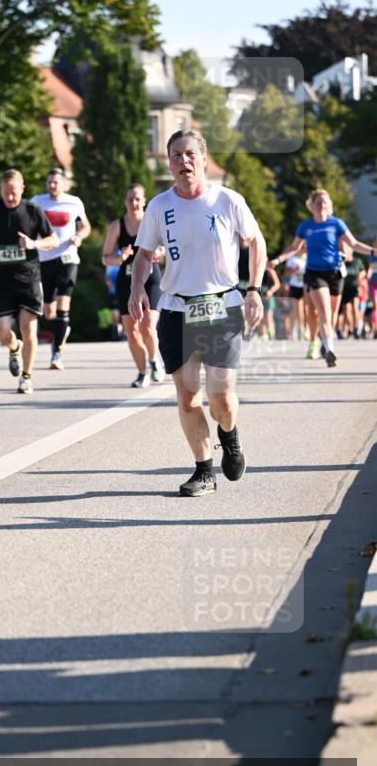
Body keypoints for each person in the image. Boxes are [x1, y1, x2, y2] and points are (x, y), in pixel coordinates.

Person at [128, 129, 266, 498]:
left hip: (222, 307)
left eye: (190, 154)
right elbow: (143, 255)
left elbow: (256, 243)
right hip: (176, 309)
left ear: (203, 159)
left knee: (220, 397)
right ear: (169, 162)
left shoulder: (228, 200)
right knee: (188, 397)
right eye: (176, 156)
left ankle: (229, 434)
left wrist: (253, 289)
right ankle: (204, 471)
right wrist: (137, 287)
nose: (183, 162)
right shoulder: (159, 206)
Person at [270, 189, 376, 367]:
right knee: (324, 310)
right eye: (318, 202)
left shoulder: (337, 224)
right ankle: (329, 349)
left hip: (335, 273)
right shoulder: (305, 226)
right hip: (314, 273)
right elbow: (295, 247)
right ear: (311, 206)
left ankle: (323, 340)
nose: (322, 205)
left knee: (333, 314)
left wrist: (373, 251)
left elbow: (354, 243)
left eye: (325, 202)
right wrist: (279, 259)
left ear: (330, 206)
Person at [0, 168, 57, 394]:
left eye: (14, 192)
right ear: (0, 190)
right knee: (1, 330)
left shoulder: (32, 210)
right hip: (1, 280)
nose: (10, 197)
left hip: (28, 279)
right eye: (5, 192)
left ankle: (26, 377)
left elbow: (53, 239)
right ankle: (14, 347)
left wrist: (33, 244)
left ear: (22, 188)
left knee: (28, 328)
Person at [102, 183, 163, 387]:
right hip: (126, 281)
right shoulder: (117, 226)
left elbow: (165, 249)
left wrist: (157, 252)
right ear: (125, 202)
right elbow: (105, 258)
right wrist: (120, 257)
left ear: (144, 201)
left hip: (151, 277)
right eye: (130, 199)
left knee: (147, 326)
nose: (134, 203)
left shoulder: (153, 221)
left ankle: (154, 361)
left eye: (138, 199)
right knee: (131, 330)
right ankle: (142, 372)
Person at [30, 168, 91, 369]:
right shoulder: (37, 201)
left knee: (63, 303)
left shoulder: (74, 202)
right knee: (48, 310)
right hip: (44, 258)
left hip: (67, 257)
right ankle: (61, 328)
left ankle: (56, 355)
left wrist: (79, 237)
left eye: (56, 182)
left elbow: (85, 226)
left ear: (64, 184)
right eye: (49, 182)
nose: (52, 186)